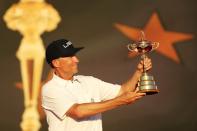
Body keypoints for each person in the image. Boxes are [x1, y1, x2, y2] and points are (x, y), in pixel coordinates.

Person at [41, 39, 152, 131]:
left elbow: (123, 91)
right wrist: (121, 101)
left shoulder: (89, 81)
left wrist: (138, 72)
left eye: (74, 55)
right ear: (56, 63)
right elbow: (78, 111)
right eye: (70, 56)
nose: (76, 60)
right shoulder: (50, 89)